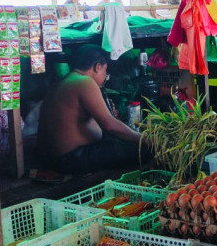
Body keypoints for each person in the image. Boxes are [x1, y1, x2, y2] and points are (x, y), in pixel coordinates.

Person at [37, 44, 152, 174]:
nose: (105, 77)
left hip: (51, 158)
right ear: (98, 67)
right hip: (70, 159)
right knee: (145, 151)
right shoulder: (84, 81)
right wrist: (144, 138)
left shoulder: (63, 82)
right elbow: (109, 125)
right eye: (105, 70)